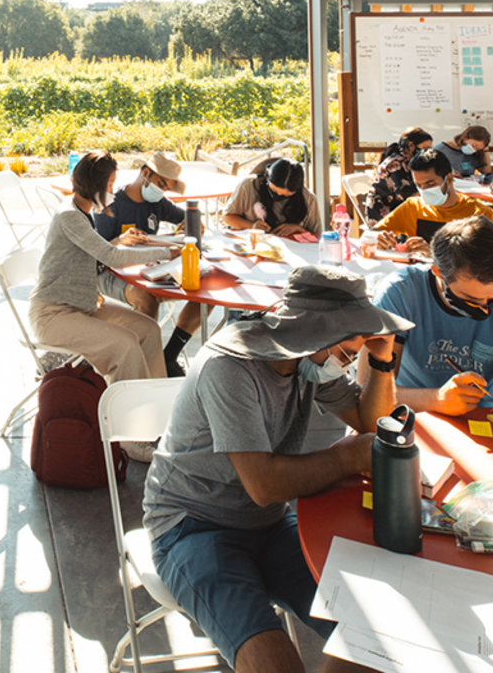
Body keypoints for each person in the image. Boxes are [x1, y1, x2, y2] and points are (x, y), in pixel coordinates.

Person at [144, 266, 411, 673]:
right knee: (273, 663)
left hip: (266, 524)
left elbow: (370, 424)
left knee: (375, 640)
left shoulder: (309, 363)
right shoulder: (230, 367)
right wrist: (345, 459)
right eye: (344, 353)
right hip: (192, 524)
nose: (344, 363)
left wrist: (382, 361)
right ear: (311, 336)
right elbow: (264, 485)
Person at [32, 150, 180, 392]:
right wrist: (167, 253)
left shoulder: (83, 212)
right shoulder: (70, 216)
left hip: (85, 307)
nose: (113, 190)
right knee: (126, 346)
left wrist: (118, 241)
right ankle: (129, 417)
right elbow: (113, 258)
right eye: (110, 184)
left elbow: (97, 253)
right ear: (95, 185)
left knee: (149, 330)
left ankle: (157, 403)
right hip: (54, 316)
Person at [373, 217, 493, 417]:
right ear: (438, 273)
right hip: (409, 413)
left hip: (482, 417)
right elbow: (368, 392)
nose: (484, 309)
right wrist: (436, 399)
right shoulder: (400, 293)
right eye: (471, 300)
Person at [93, 152, 208, 377]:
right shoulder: (111, 203)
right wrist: (121, 241)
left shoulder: (156, 203)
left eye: (168, 188)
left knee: (203, 291)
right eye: (161, 184)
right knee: (146, 297)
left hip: (149, 269)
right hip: (111, 272)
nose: (163, 191)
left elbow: (186, 215)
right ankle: (141, 364)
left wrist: (192, 222)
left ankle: (169, 356)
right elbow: (101, 254)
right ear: (145, 174)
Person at [372, 149, 493, 252]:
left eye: (430, 183)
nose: (424, 190)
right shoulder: (412, 207)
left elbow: (490, 259)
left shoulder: (480, 214)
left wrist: (432, 254)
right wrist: (379, 239)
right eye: (418, 185)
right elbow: (371, 235)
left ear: (448, 178)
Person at [221, 157, 322, 238]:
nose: (278, 196)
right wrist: (252, 226)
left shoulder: (309, 199)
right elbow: (227, 217)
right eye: (273, 191)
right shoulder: (249, 186)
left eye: (286, 196)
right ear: (267, 179)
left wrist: (298, 229)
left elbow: (318, 237)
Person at [363, 128, 434, 222]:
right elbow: (404, 193)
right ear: (411, 146)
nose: (427, 152)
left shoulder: (409, 161)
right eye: (425, 148)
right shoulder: (395, 163)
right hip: (383, 214)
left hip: (400, 208)